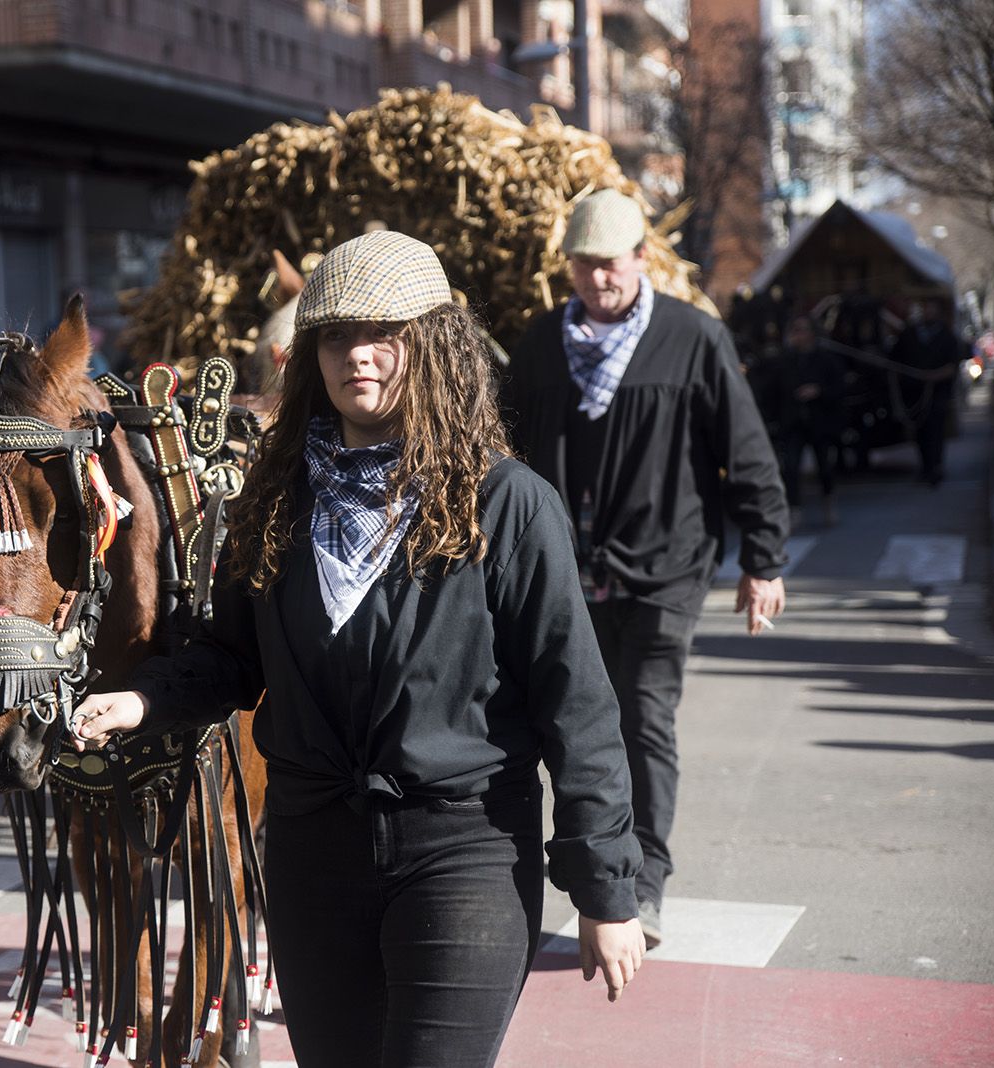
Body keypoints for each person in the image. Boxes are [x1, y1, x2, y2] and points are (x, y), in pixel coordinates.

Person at [72, 231, 646, 1067]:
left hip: (466, 850)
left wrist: (606, 889)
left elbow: (578, 705)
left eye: (387, 334)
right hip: (312, 857)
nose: (359, 356)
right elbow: (233, 654)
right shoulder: (272, 495)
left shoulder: (508, 503)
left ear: (437, 347)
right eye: (336, 336)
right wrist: (146, 699)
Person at [499, 189, 790, 947]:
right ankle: (576, 869)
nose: (601, 280)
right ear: (569, 268)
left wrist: (764, 561)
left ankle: (644, 881)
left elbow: (746, 450)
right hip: (566, 572)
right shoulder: (537, 349)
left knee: (643, 719)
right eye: (586, 266)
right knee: (567, 721)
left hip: (666, 568)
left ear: (642, 259)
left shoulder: (692, 339)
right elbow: (500, 456)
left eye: (614, 265)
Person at [759, 315, 845, 526]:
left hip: (819, 422)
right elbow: (772, 392)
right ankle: (794, 508)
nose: (798, 335)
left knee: (824, 466)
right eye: (795, 330)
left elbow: (839, 389)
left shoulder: (826, 360)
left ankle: (828, 502)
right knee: (791, 467)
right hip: (793, 422)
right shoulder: (784, 361)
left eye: (802, 330)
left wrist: (819, 391)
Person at [891, 296, 966, 487]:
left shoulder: (946, 336)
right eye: (925, 307)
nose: (928, 312)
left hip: (937, 391)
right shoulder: (910, 333)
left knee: (935, 430)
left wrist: (934, 376)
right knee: (920, 431)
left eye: (931, 308)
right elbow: (896, 359)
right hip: (915, 392)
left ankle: (935, 466)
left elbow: (953, 364)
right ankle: (925, 466)